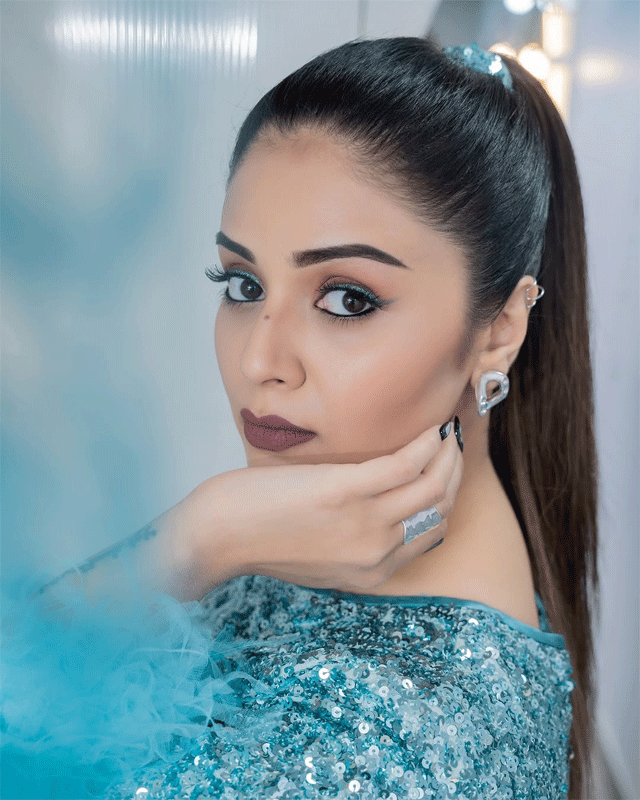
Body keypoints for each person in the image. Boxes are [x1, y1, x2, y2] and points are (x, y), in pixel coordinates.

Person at [0, 36, 598, 800]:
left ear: (499, 331)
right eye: (243, 285)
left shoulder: (395, 751)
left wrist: (203, 540)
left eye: (347, 299)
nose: (260, 360)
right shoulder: (297, 529)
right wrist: (207, 537)